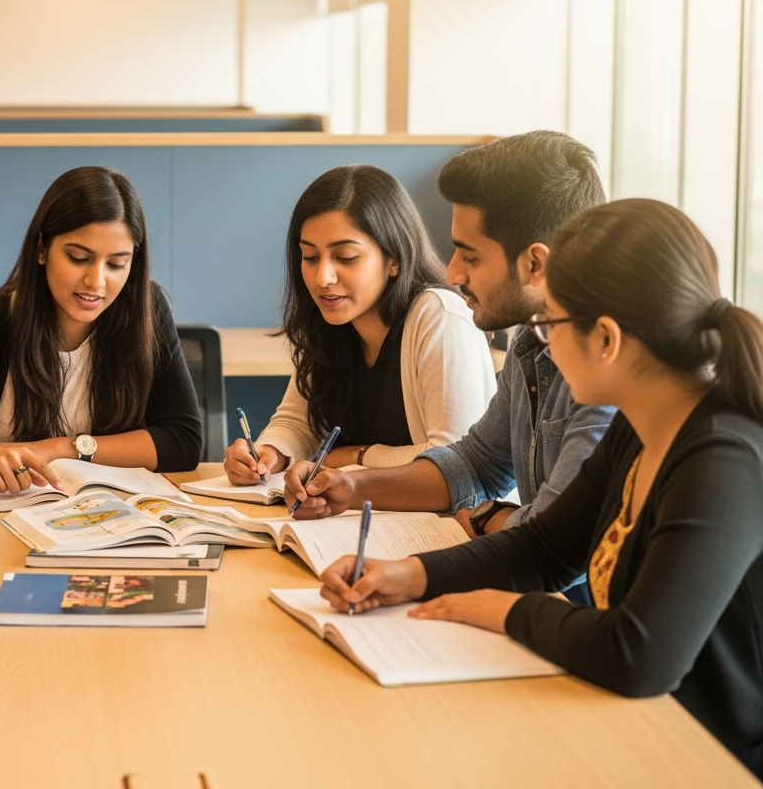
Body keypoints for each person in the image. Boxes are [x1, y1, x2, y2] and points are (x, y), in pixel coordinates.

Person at [321, 199, 763, 777]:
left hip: (708, 757)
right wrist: (409, 574)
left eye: (549, 324)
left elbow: (640, 654)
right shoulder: (641, 423)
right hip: (632, 730)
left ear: (605, 338)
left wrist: (500, 611)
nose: (543, 343)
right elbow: (548, 549)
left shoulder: (723, 459)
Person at [285, 133, 615, 550]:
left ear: (535, 263)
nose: (453, 272)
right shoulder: (530, 343)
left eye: (470, 255)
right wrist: (352, 487)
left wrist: (489, 518)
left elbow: (556, 543)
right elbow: (475, 463)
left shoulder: (608, 375)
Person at [0, 165, 202, 491]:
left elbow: (183, 441)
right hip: (4, 517)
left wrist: (63, 447)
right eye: (78, 258)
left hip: (112, 516)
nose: (97, 281)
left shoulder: (146, 310)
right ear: (42, 248)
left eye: (117, 264)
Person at [223, 165, 495, 486]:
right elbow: (298, 422)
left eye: (346, 257)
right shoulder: (333, 319)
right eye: (310, 257)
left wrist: (355, 457)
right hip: (362, 518)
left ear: (393, 259)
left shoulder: (438, 315)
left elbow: (454, 459)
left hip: (442, 524)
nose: (323, 278)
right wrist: (269, 453)